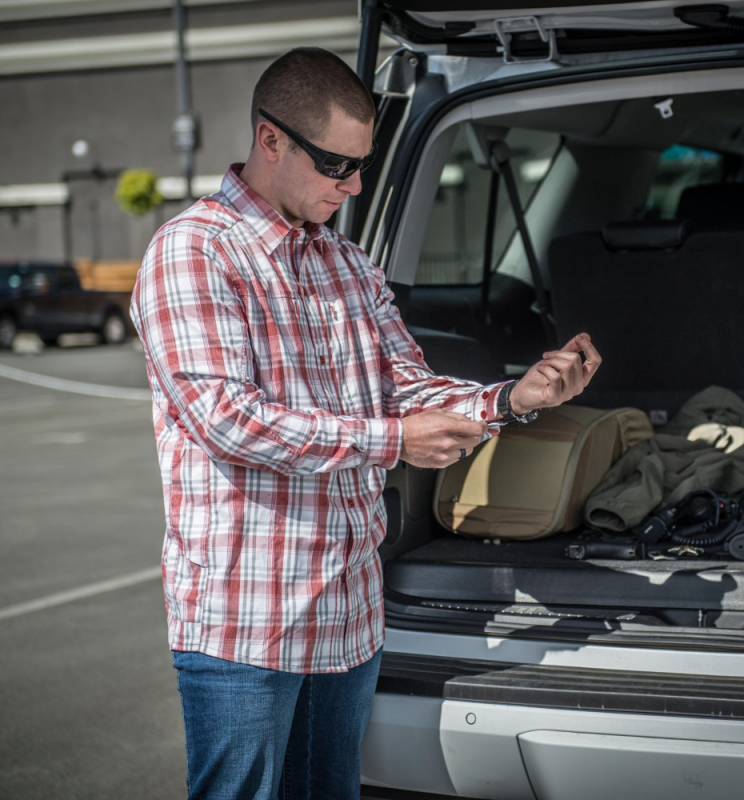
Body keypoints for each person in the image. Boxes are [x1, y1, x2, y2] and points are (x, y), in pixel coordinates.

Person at [130, 47, 601, 800]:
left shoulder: (347, 264)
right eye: (336, 165)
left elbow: (406, 387)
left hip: (349, 612)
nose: (351, 187)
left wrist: (515, 399)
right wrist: (391, 441)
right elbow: (227, 419)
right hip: (248, 621)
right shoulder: (194, 252)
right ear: (270, 139)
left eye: (361, 167)